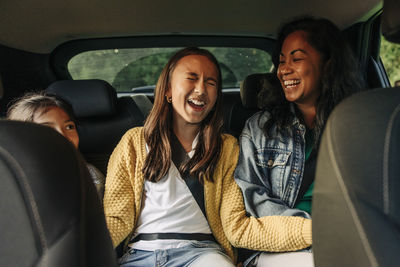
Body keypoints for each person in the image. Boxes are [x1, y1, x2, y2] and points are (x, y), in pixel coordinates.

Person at [103, 47, 312, 267]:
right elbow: (116, 219)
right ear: (167, 90)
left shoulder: (226, 148)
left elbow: (237, 226)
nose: (201, 89)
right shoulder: (133, 142)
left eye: (211, 83)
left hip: (202, 254)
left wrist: (313, 230)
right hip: (140, 254)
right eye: (191, 78)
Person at [234, 17, 365, 267]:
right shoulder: (260, 129)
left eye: (296, 58)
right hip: (279, 246)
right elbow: (252, 200)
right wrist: (313, 231)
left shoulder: (359, 124)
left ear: (328, 65)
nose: (283, 70)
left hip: (348, 240)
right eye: (281, 61)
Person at [6, 92, 105, 200]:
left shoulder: (88, 176)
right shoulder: (9, 178)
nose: (63, 135)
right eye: (47, 129)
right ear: (23, 138)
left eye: (69, 127)